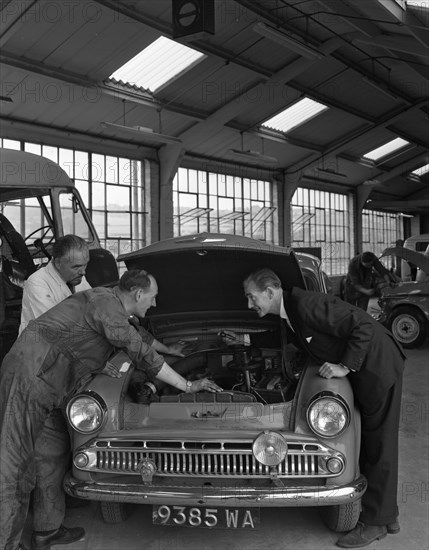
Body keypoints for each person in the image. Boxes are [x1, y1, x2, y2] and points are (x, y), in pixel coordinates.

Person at [0, 269, 222, 550]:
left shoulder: (115, 308)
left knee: (52, 455)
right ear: (138, 294)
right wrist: (189, 386)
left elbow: (139, 337)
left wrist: (175, 352)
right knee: (13, 464)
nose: (154, 305)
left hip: (56, 384)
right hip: (28, 376)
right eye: (153, 298)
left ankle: (47, 530)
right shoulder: (105, 305)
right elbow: (141, 351)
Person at [243, 268, 405, 549]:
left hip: (378, 367)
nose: (249, 304)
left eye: (251, 297)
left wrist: (345, 365)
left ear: (269, 292)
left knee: (379, 444)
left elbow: (362, 325)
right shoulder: (291, 310)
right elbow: (295, 338)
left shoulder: (307, 304)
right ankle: (387, 515)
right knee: (373, 442)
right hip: (370, 367)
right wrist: (245, 341)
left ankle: (377, 523)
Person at [19, 234, 91, 334]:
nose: (83, 272)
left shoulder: (78, 276)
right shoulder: (37, 282)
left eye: (85, 264)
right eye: (76, 267)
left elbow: (93, 305)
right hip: (39, 345)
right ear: (58, 263)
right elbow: (53, 326)